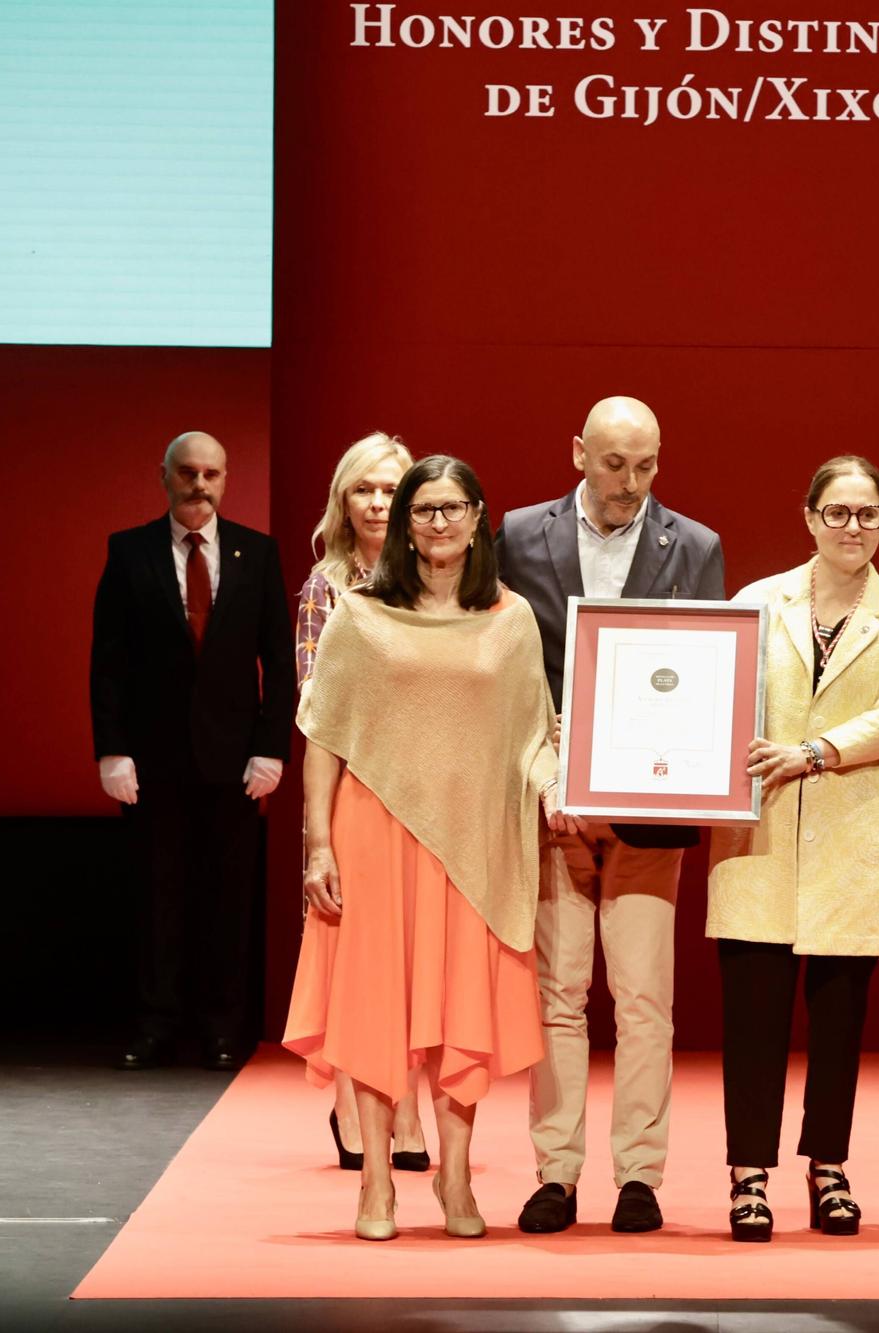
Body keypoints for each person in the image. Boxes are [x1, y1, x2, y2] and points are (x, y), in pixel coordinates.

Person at [284, 454, 568, 1242]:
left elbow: (533, 736)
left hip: (475, 839)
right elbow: (322, 737)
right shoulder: (361, 615)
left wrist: (557, 787)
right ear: (403, 523)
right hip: (375, 833)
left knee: (458, 1009)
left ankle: (455, 1175)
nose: (438, 522)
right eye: (423, 509)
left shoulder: (510, 619)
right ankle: (375, 1179)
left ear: (478, 517)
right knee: (378, 1006)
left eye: (453, 508)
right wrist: (318, 846)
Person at [495, 395, 726, 1236]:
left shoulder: (694, 546)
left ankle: (640, 1176)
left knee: (644, 1000)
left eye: (647, 464)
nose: (632, 482)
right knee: (558, 997)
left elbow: (700, 678)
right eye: (615, 463)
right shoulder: (519, 535)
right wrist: (545, 772)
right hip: (550, 807)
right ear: (578, 453)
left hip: (648, 810)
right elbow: (507, 672)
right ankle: (555, 1173)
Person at [707, 455, 879, 1242]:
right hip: (760, 836)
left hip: (855, 835)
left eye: (867, 514)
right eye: (837, 512)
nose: (852, 528)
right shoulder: (755, 604)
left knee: (840, 1019)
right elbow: (716, 702)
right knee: (755, 1017)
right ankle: (749, 1173)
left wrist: (816, 751)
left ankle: (828, 1165)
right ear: (808, 517)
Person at [90, 431, 296, 1072]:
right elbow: (108, 662)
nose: (199, 484)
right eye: (187, 472)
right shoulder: (127, 552)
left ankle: (223, 1029)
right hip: (152, 763)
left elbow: (280, 663)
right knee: (158, 896)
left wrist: (271, 749)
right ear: (165, 476)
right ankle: (154, 1026)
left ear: (225, 479)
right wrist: (111, 750)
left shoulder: (257, 554)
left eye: (211, 473)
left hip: (235, 764)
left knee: (228, 900)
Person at [294, 430, 430, 1172]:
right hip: (348, 791)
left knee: (410, 961)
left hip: (426, 798)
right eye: (364, 489)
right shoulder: (328, 586)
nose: (379, 502)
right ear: (343, 501)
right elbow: (314, 708)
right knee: (353, 956)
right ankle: (352, 1108)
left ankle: (406, 1107)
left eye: (390, 489)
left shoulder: (437, 579)